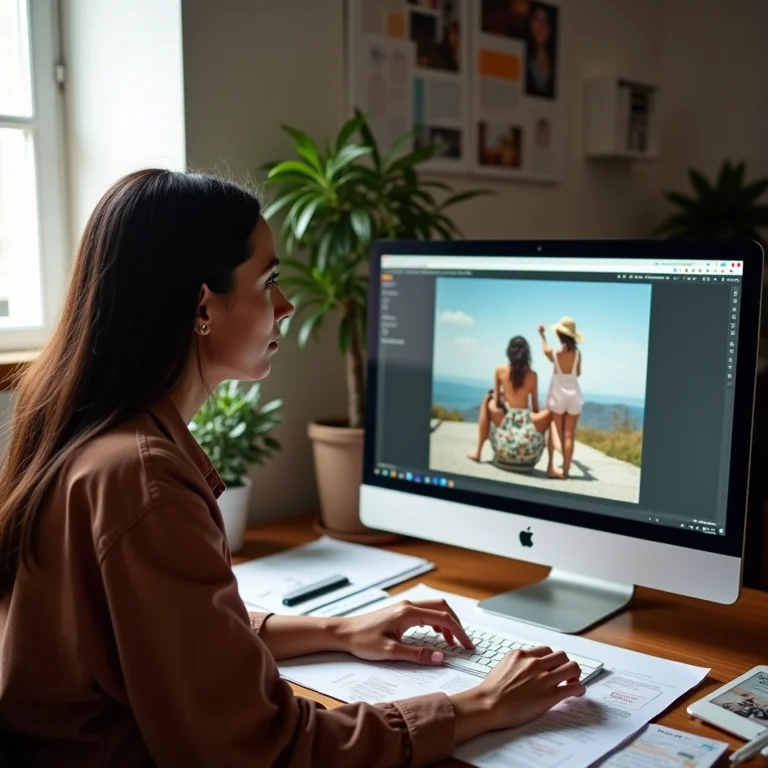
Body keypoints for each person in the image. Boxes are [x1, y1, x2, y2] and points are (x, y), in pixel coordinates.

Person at [0, 169, 586, 767]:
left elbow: (175, 635)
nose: (285, 305)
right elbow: (267, 750)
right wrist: (480, 703)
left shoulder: (92, 437)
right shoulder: (144, 479)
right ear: (202, 306)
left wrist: (338, 631)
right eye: (269, 281)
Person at [468, 336, 552, 468]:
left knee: (487, 399)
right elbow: (535, 408)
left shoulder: (499, 370)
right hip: (528, 451)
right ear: (526, 355)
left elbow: (497, 403)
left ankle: (478, 451)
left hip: (504, 446)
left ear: (509, 352)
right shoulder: (533, 375)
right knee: (552, 412)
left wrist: (499, 395)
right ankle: (551, 465)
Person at [539, 317, 584, 479]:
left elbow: (545, 350)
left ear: (559, 334)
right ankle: (565, 471)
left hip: (557, 394)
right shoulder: (578, 354)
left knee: (555, 432)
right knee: (569, 435)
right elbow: (578, 373)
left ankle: (551, 465)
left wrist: (542, 335)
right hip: (573, 395)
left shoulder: (556, 353)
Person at [525, 3, 555, 98]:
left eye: (544, 22)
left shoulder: (555, 60)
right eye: (536, 20)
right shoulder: (523, 56)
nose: (540, 26)